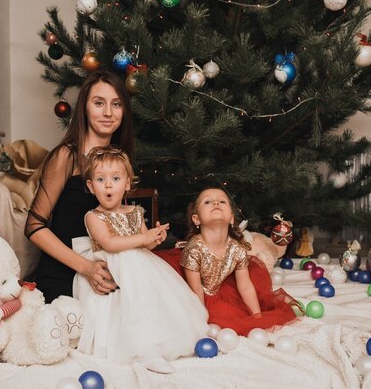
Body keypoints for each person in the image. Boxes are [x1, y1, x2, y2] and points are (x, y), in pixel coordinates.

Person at [73, 146, 209, 374]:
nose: (108, 185)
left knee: (151, 303)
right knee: (128, 304)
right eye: (100, 179)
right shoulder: (94, 216)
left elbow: (145, 244)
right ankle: (141, 349)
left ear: (127, 184)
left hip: (141, 269)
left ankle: (158, 342)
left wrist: (154, 238)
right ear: (90, 186)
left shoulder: (135, 211)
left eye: (115, 178)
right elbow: (109, 243)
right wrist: (142, 238)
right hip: (115, 273)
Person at [25, 70, 135, 303]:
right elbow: (34, 226)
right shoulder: (67, 156)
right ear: (85, 108)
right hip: (64, 277)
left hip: (106, 278)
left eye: (116, 104)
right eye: (99, 103)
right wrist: (85, 267)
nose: (108, 112)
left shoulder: (119, 160)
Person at [157, 187, 300, 335]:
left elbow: (245, 286)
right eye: (208, 202)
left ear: (231, 218)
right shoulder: (194, 249)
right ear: (196, 219)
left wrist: (257, 316)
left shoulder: (237, 248)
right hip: (196, 293)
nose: (216, 203)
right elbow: (196, 289)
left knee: (243, 308)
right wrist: (201, 320)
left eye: (222, 201)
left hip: (222, 289)